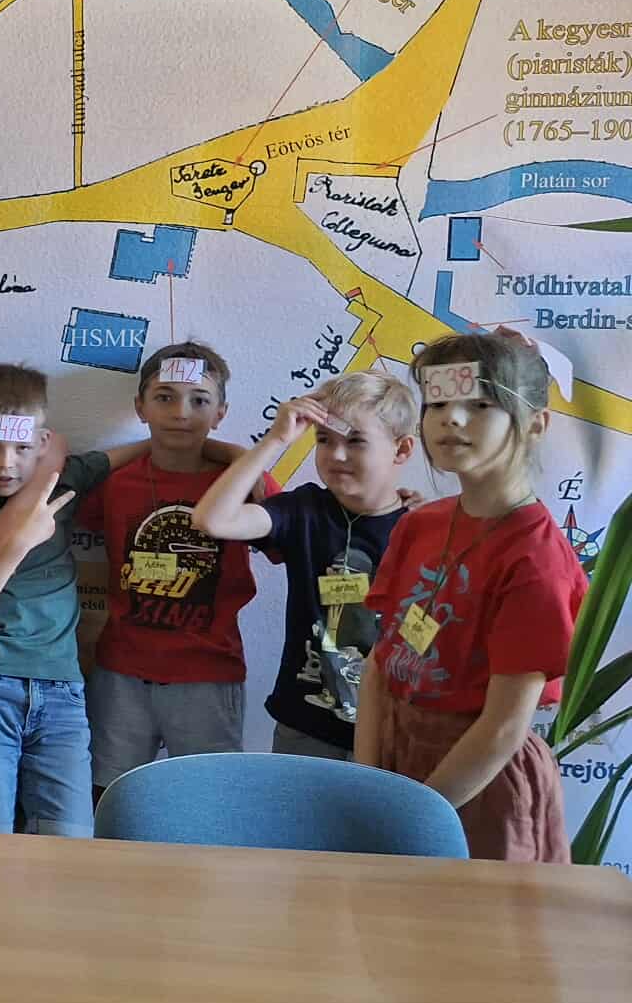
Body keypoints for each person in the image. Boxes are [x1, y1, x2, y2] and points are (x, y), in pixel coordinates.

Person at [359, 333, 585, 861]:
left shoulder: (535, 559)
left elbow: (503, 726)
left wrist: (415, 818)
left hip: (479, 781)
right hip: (396, 760)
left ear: (535, 423)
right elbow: (381, 661)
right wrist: (368, 784)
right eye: (436, 405)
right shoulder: (419, 524)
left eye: (479, 405)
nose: (450, 420)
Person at [0, 363, 154, 839]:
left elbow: (143, 448)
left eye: (22, 448)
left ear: (42, 443)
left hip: (62, 694)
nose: (6, 463)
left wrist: (224, 450)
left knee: (68, 848)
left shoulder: (60, 483)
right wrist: (19, 542)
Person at [76, 341, 271, 793]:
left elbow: (294, 529)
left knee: (208, 801)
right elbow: (56, 489)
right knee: (109, 795)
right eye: (165, 397)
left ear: (220, 413)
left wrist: (241, 459)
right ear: (140, 407)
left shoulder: (241, 484)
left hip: (207, 674)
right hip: (121, 673)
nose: (181, 412)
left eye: (199, 400)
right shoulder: (115, 485)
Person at [192, 371, 417, 759]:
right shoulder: (305, 509)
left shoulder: (424, 528)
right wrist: (276, 439)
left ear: (401, 450)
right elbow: (212, 519)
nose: (337, 455)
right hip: (306, 728)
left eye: (356, 441)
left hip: (395, 733)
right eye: (324, 439)